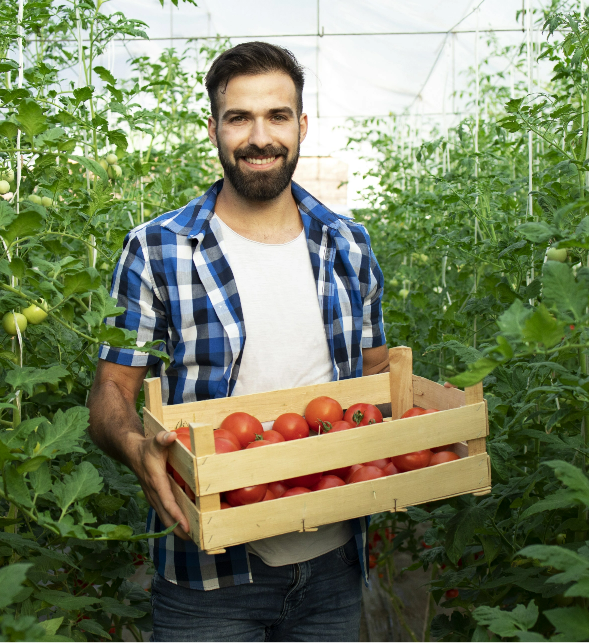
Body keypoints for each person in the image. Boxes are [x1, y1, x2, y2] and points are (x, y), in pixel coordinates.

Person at [87, 41, 389, 643]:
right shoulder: (157, 249)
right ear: (214, 130)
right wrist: (130, 443)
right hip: (209, 579)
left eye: (277, 116)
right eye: (239, 118)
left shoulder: (348, 246)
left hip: (334, 564)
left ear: (301, 126)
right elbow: (110, 394)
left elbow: (375, 388)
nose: (259, 137)